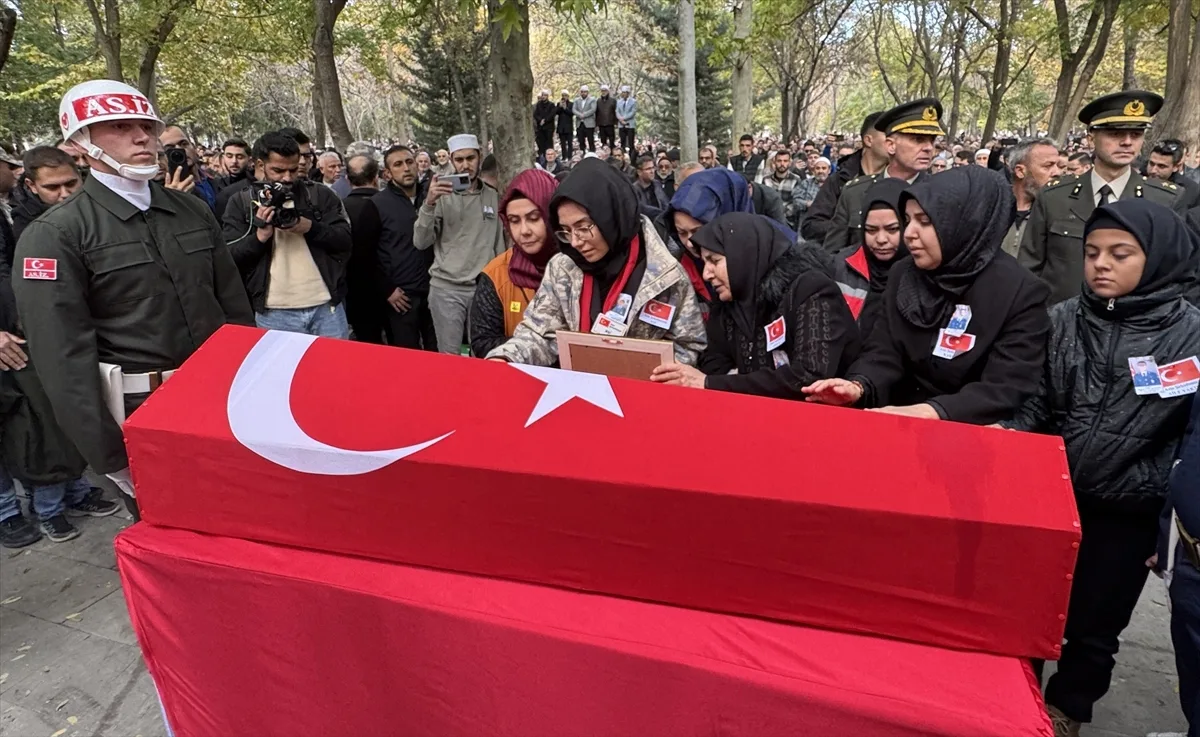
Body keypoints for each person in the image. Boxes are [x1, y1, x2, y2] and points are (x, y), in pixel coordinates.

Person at [1003, 200, 1200, 737]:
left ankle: (1067, 710)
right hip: (1051, 500)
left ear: (1158, 257)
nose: (1101, 265)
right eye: (1092, 253)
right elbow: (1033, 403)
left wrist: (1160, 502)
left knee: (1095, 626)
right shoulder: (1063, 320)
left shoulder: (1190, 337)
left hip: (1128, 511)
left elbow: (1188, 436)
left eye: (1120, 254)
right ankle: (1018, 705)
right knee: (1028, 612)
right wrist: (1012, 443)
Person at [13, 79, 254, 519]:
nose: (142, 137)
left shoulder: (191, 210)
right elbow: (62, 360)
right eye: (120, 127)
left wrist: (252, 390)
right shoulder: (55, 234)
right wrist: (110, 456)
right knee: (177, 531)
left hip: (220, 398)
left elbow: (234, 309)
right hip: (142, 413)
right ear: (80, 144)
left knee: (244, 513)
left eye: (146, 125)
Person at [803, 166, 1050, 425]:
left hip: (968, 429)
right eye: (907, 220)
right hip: (894, 419)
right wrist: (859, 385)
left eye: (924, 221)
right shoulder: (903, 274)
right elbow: (883, 352)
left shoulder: (1020, 292)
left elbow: (1005, 387)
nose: (909, 233)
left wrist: (933, 411)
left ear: (964, 223)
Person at [485, 158, 706, 367]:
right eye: (566, 231)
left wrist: (647, 372)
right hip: (580, 387)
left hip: (640, 389)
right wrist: (505, 357)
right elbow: (539, 333)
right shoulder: (563, 267)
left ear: (609, 216)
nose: (575, 241)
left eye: (583, 227)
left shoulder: (666, 276)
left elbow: (689, 346)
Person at [651, 212, 859, 398]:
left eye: (714, 261)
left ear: (743, 255)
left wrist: (712, 383)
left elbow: (808, 375)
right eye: (704, 263)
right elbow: (714, 364)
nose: (707, 274)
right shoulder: (729, 302)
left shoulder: (810, 290)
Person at [1021, 91, 1185, 305]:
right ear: (1091, 138)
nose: (1127, 142)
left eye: (1136, 134)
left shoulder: (1163, 200)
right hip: (1062, 318)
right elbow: (1029, 268)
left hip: (1134, 321)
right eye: (1116, 134)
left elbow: (1175, 274)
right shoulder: (1054, 196)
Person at [222, 130, 353, 338]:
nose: (287, 177)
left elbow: (345, 240)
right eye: (278, 170)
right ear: (260, 165)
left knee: (335, 361)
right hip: (273, 312)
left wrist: (310, 227)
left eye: (293, 170)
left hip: (326, 307)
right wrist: (260, 237)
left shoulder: (319, 194)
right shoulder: (241, 202)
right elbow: (229, 256)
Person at [414, 133, 505, 354]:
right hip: (447, 288)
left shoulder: (493, 196)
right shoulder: (441, 195)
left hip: (484, 288)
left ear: (479, 157)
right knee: (450, 356)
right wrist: (429, 204)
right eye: (459, 159)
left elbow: (499, 243)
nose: (465, 165)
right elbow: (421, 242)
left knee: (485, 353)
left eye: (470, 158)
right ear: (452, 160)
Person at [823, 99, 940, 254]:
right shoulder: (855, 192)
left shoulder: (940, 194)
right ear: (891, 145)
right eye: (918, 139)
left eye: (932, 140)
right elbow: (832, 254)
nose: (929, 148)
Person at [469, 169, 558, 357]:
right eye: (514, 221)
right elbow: (483, 341)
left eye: (534, 218)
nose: (524, 230)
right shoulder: (496, 274)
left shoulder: (580, 266)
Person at [662, 167, 758, 315]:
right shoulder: (678, 268)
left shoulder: (771, 262)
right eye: (682, 233)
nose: (689, 243)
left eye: (697, 231)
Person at [374, 145, 436, 350]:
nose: (406, 168)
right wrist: (387, 289)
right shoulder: (377, 204)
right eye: (398, 164)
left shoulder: (432, 197)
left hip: (435, 290)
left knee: (439, 354)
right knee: (406, 355)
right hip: (401, 296)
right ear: (387, 173)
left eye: (410, 162)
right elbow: (368, 253)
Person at [831, 177, 907, 337]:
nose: (881, 239)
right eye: (871, 230)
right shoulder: (842, 267)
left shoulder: (924, 269)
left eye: (892, 229)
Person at [342, 154, 387, 344]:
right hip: (393, 289)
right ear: (376, 177)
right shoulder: (388, 205)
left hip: (354, 291)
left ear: (347, 179)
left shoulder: (339, 208)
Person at [1001, 138, 1062, 257]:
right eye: (1048, 166)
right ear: (1020, 171)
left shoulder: (1061, 212)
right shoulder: (994, 210)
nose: (1057, 172)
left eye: (1058, 166)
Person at [11, 146, 82, 242]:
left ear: (79, 176)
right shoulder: (26, 224)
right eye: (52, 187)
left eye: (71, 183)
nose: (65, 194)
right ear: (32, 186)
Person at [159, 125, 218, 213]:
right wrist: (173, 199)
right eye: (170, 149)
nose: (179, 150)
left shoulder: (216, 178)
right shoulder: (159, 193)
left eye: (184, 144)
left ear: (193, 146)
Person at [1147, 139, 1200, 210]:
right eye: (1151, 164)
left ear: (1176, 167)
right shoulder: (1138, 177)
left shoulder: (1191, 190)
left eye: (1161, 166)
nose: (1153, 170)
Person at [759, 150, 805, 229]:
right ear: (775, 162)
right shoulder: (766, 179)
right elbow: (763, 200)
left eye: (785, 161)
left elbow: (796, 201)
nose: (782, 164)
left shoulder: (796, 179)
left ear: (789, 163)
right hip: (769, 221)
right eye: (779, 161)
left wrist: (781, 215)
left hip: (789, 222)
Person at [533, 89, 557, 159]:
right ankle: (542, 157)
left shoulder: (551, 105)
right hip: (541, 127)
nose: (543, 97)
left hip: (549, 127)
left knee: (549, 143)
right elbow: (535, 114)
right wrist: (540, 120)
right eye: (542, 95)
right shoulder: (538, 104)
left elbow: (552, 114)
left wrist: (545, 120)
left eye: (545, 95)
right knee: (541, 143)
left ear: (547, 96)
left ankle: (550, 157)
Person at [573, 86, 597, 154]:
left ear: (587, 92)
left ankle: (592, 153)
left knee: (590, 140)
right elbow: (574, 109)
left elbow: (593, 109)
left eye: (585, 92)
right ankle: (582, 153)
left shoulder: (592, 100)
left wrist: (584, 115)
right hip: (579, 123)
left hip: (589, 123)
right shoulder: (576, 100)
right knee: (581, 140)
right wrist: (579, 115)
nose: (583, 93)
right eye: (582, 92)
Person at [616, 86, 637, 156]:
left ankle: (631, 157)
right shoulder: (619, 101)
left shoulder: (633, 101)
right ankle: (622, 156)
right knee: (622, 142)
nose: (623, 94)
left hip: (630, 124)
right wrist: (620, 119)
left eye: (625, 92)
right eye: (622, 92)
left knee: (631, 143)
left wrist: (624, 118)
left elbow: (633, 112)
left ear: (628, 93)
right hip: (621, 124)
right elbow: (617, 111)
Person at [556, 90, 575, 160]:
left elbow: (572, 113)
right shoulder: (559, 104)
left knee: (570, 143)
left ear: (568, 96)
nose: (564, 97)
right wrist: (560, 107)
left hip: (568, 127)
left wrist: (565, 108)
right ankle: (564, 156)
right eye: (563, 95)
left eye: (565, 95)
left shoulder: (571, 104)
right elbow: (556, 112)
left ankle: (570, 156)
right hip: (561, 127)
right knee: (562, 143)